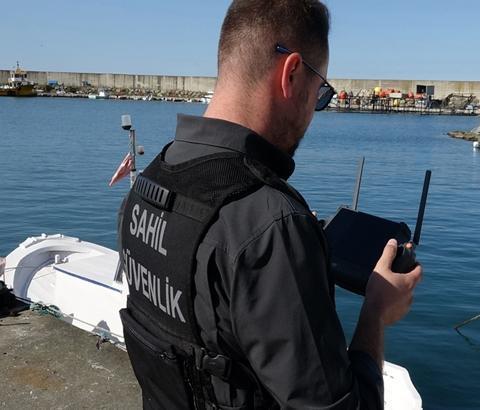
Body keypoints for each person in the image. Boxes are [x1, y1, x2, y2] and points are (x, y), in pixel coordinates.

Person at [117, 1, 423, 409]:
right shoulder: (271, 225)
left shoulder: (150, 181)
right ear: (291, 73)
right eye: (321, 94)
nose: (315, 111)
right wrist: (376, 310)